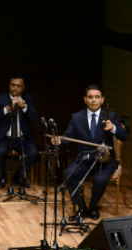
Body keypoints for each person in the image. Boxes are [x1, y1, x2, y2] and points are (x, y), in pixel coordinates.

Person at [50, 85, 128, 220]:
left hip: (105, 161)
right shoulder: (76, 117)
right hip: (84, 159)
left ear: (102, 99)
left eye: (97, 97)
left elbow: (124, 136)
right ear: (85, 99)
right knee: (68, 174)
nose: (94, 100)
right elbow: (68, 137)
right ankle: (82, 208)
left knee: (100, 180)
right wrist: (59, 141)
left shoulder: (110, 116)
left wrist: (113, 128)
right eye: (90, 97)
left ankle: (93, 206)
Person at [0, 75, 40, 189]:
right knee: (0, 151)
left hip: (22, 138)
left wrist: (24, 107)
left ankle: (18, 176)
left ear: (23, 87)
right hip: (4, 138)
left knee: (33, 152)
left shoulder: (28, 98)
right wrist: (6, 109)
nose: (15, 88)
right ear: (9, 85)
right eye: (13, 85)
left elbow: (35, 119)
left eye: (18, 86)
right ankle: (2, 177)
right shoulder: (1, 98)